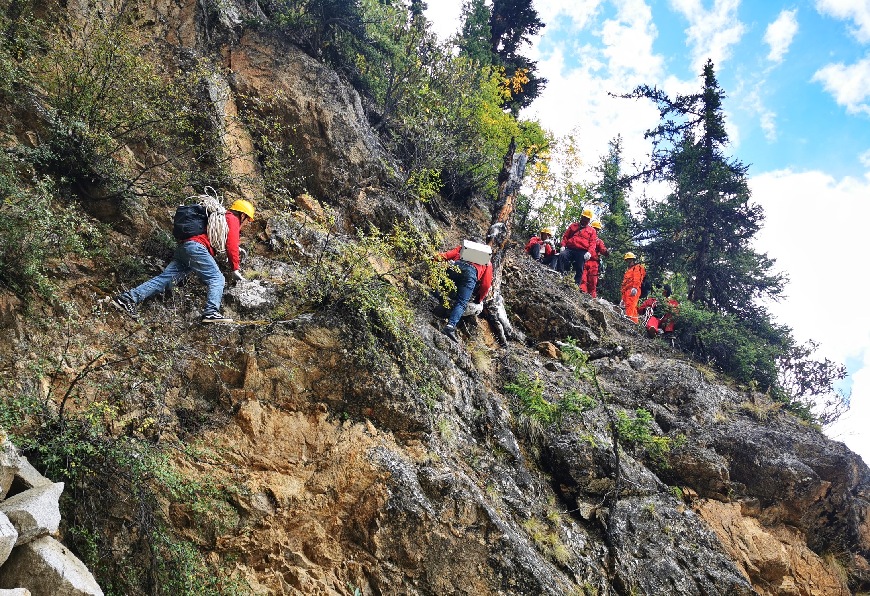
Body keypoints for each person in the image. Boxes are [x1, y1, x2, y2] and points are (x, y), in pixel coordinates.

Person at [112, 198, 255, 323]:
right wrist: (235, 269)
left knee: (165, 280)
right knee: (217, 279)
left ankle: (127, 299)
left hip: (185, 247)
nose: (247, 223)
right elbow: (231, 245)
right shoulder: (232, 218)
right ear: (242, 215)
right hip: (197, 248)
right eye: (248, 220)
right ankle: (211, 312)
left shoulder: (222, 217)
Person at [438, 243, 493, 342]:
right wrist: (479, 298)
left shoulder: (462, 248)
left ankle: (435, 300)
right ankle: (450, 326)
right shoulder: (487, 261)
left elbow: (446, 255)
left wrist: (432, 259)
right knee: (461, 303)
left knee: (443, 287)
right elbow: (486, 284)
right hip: (470, 275)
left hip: (455, 267)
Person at [559, 207, 597, 287]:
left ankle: (576, 284)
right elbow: (565, 237)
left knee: (580, 266)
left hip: (582, 251)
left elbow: (593, 243)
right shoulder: (573, 226)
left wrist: (589, 252)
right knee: (562, 255)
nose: (585, 220)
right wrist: (563, 245)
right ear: (581, 217)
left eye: (587, 219)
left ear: (589, 220)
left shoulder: (592, 231)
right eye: (584, 217)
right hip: (570, 248)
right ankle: (561, 274)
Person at [580, 220, 608, 297]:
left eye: (598, 230)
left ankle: (592, 298)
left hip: (594, 263)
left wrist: (606, 252)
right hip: (584, 260)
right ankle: (582, 295)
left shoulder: (599, 241)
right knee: (583, 279)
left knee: (592, 282)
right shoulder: (586, 238)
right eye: (595, 229)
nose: (596, 231)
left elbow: (602, 249)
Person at [620, 252, 646, 323]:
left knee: (630, 305)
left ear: (633, 260)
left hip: (633, 289)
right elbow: (624, 285)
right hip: (626, 291)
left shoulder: (637, 267)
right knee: (632, 308)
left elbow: (637, 278)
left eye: (629, 259)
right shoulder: (628, 271)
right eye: (627, 260)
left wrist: (635, 288)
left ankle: (628, 321)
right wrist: (623, 298)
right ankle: (634, 323)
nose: (628, 261)